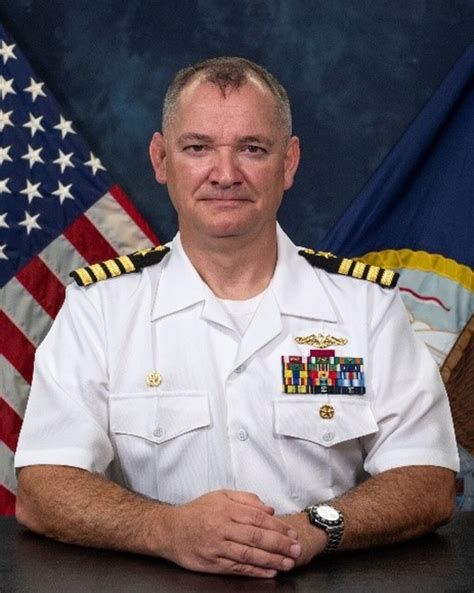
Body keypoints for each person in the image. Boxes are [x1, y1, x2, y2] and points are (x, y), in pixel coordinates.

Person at [15, 57, 459, 579]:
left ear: (288, 163)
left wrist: (314, 527)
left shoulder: (364, 307)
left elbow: (429, 478)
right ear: (162, 159)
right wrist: (168, 530)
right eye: (197, 148)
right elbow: (43, 485)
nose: (225, 175)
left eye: (252, 149)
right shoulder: (101, 310)